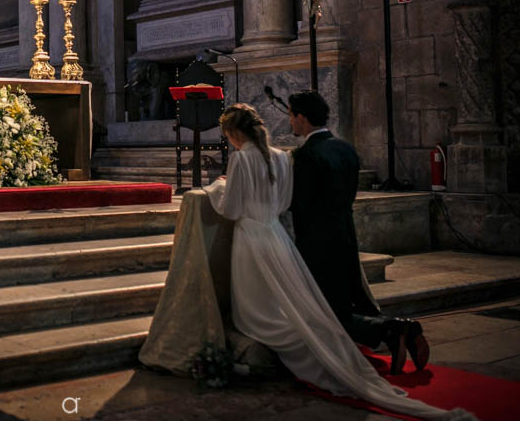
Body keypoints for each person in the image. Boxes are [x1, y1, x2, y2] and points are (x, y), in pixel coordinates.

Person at [202, 104, 471, 420]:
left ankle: (311, 346)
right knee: (291, 300)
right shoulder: (281, 156)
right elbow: (286, 201)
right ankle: (355, 338)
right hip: (276, 235)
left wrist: (216, 188)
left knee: (257, 313)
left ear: (233, 133)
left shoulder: (240, 159)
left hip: (250, 238)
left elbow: (231, 209)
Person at [287, 90, 429, 375]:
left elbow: (300, 204)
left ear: (301, 118)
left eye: (291, 115)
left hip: (317, 239)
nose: (290, 122)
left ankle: (393, 330)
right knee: (344, 298)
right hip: (345, 232)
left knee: (327, 310)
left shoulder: (306, 154)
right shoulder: (346, 148)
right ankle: (401, 330)